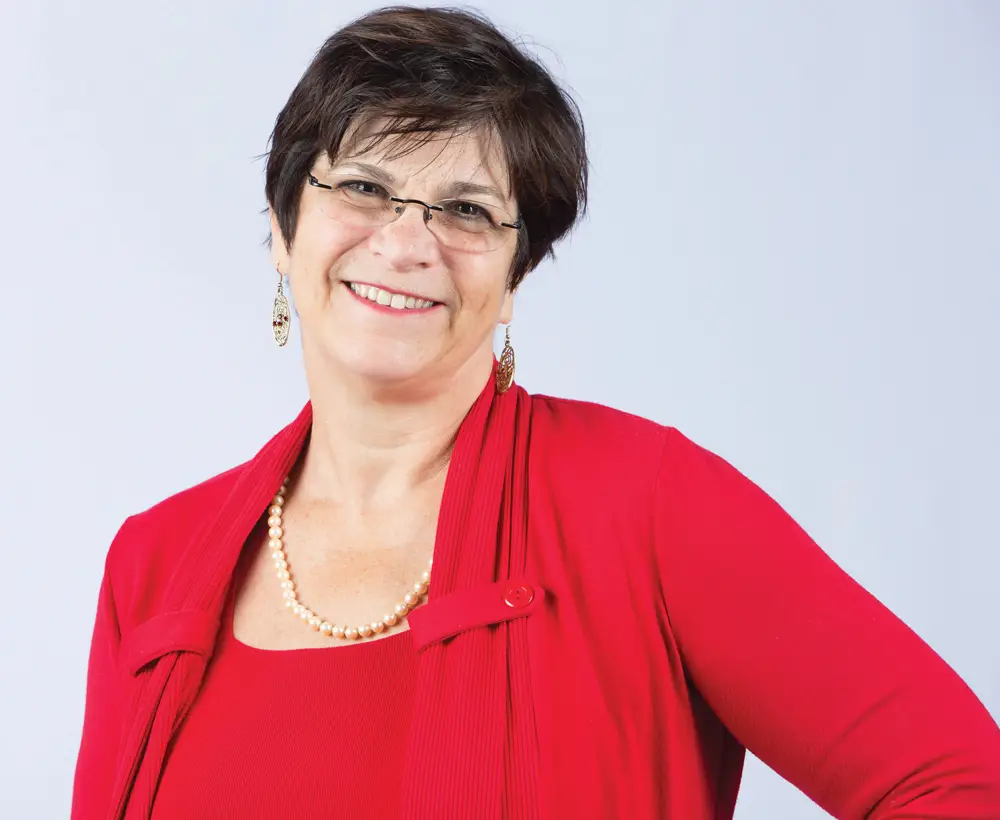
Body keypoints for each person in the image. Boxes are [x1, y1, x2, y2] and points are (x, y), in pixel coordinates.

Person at [71, 6, 1000, 819]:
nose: (407, 243)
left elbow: (959, 785)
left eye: (466, 210)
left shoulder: (644, 505)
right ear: (282, 229)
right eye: (362, 187)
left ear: (514, 277)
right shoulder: (152, 568)